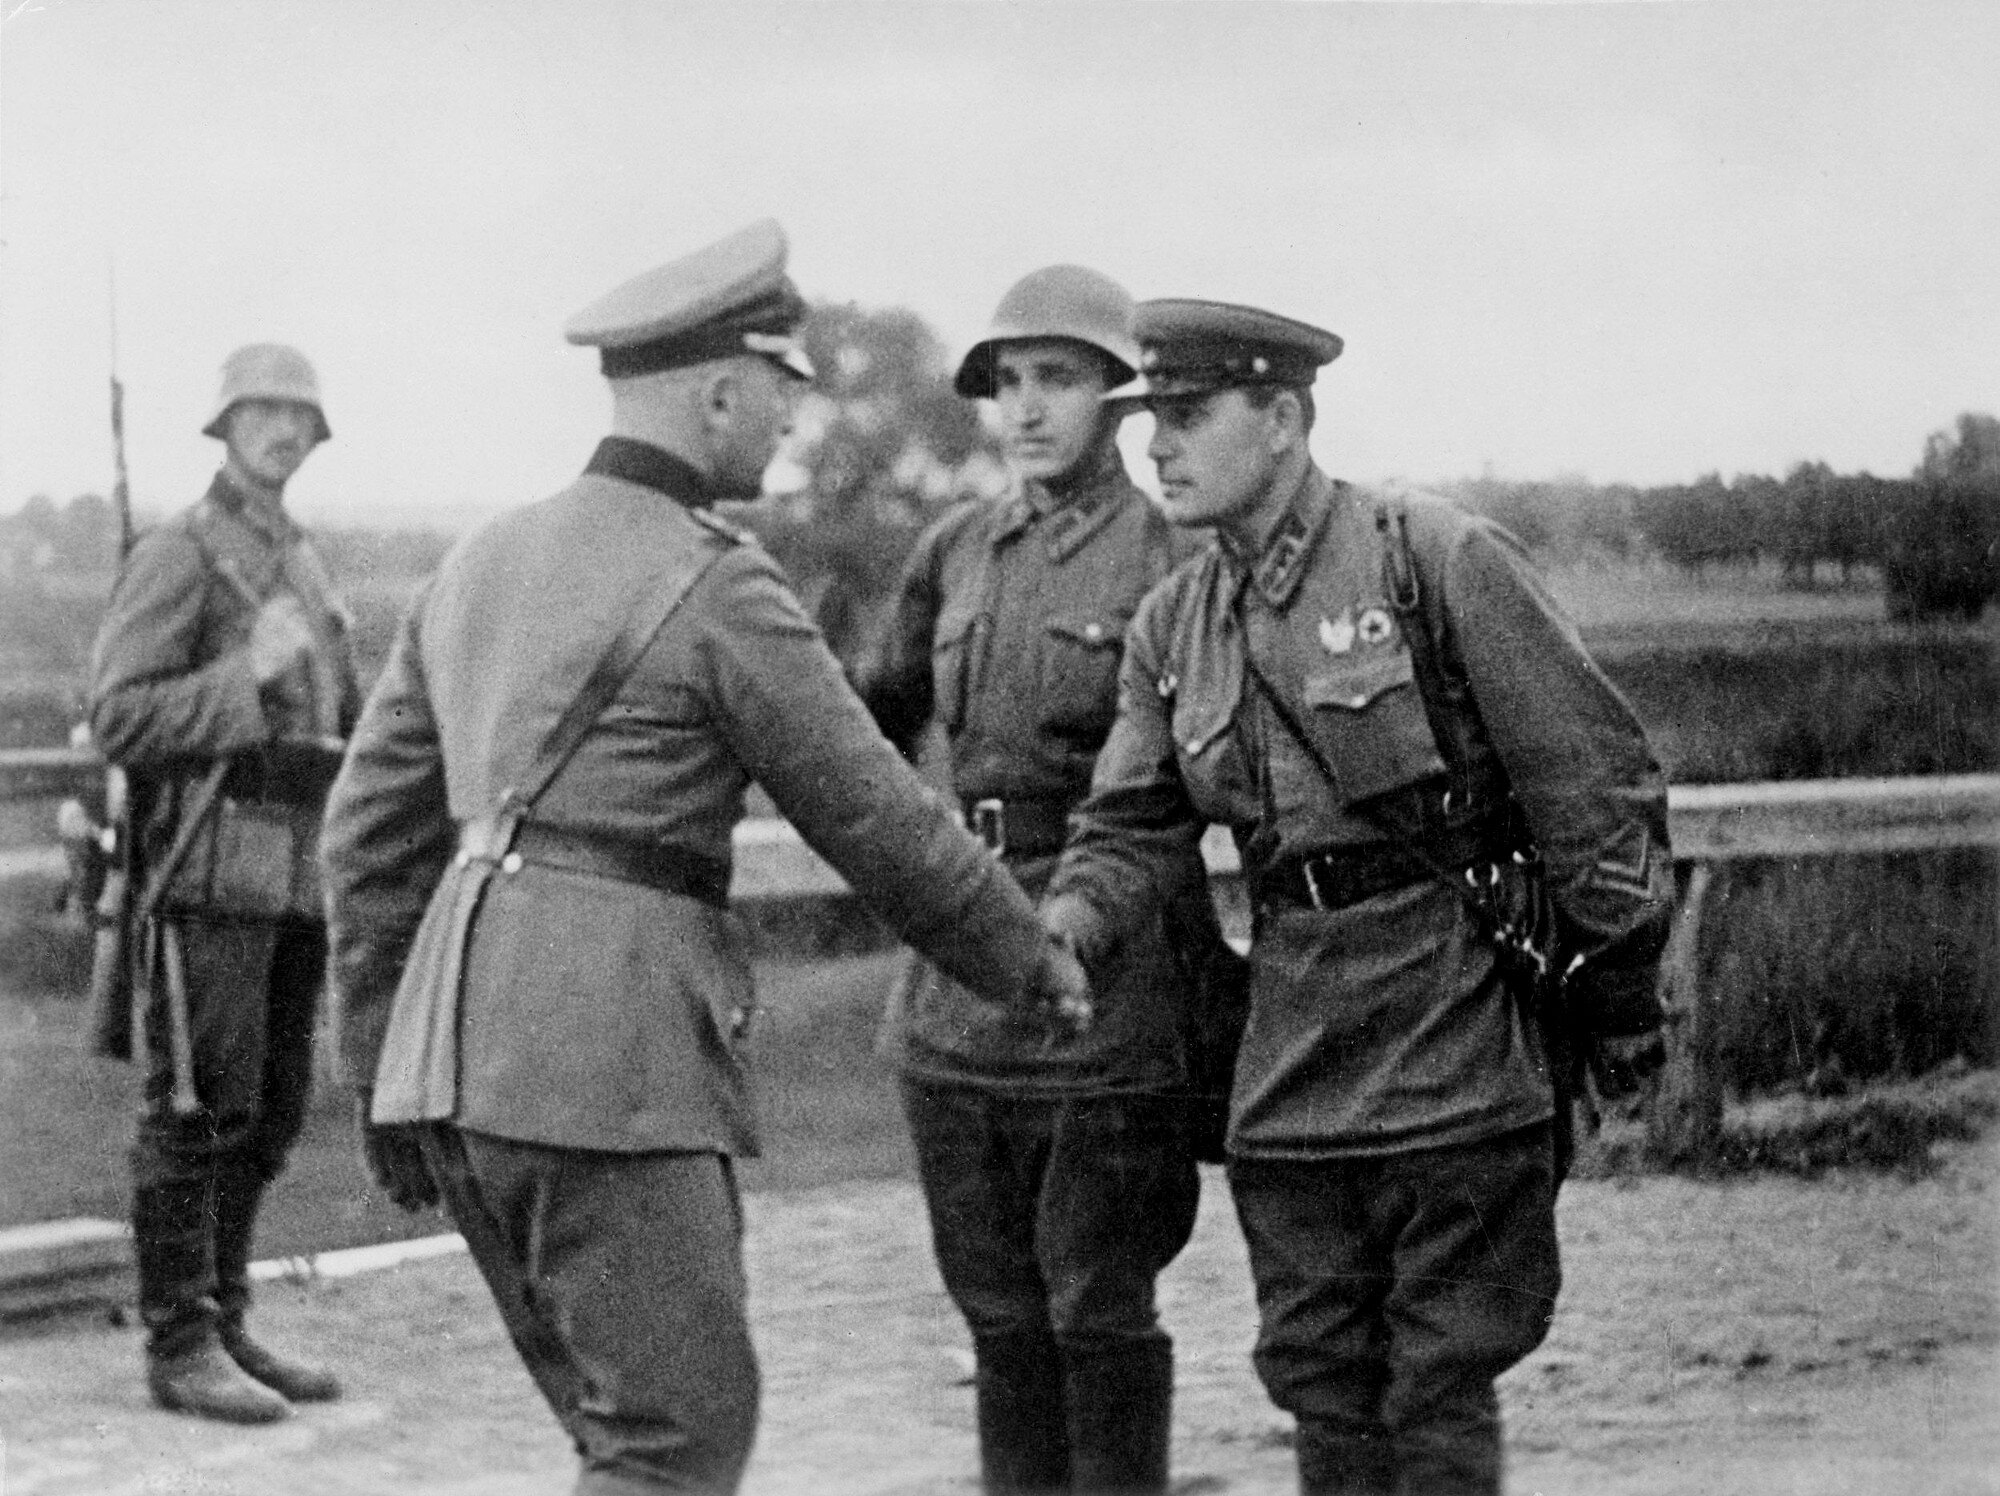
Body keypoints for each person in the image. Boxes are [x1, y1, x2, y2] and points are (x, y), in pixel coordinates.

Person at [320, 220, 1092, 1496]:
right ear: (719, 390)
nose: (787, 424)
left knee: (617, 1432)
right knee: (673, 1439)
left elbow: (365, 842)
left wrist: (378, 1073)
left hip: (448, 1073)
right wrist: (1029, 958)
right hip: (600, 1067)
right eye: (780, 393)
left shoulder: (478, 560)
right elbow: (882, 817)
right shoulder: (717, 585)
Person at [1040, 299, 1676, 1496]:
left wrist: (1622, 996)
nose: (1154, 449)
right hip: (1289, 1074)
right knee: (1321, 1383)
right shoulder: (1175, 623)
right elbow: (1126, 825)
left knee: (1436, 1386)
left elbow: (1590, 788)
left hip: (1456, 1046)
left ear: (1281, 417)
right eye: (1147, 423)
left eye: (1185, 416)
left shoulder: (1429, 558)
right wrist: (1059, 930)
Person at [857, 265, 1233, 1496]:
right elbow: (859, 728)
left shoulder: (1174, 551)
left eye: (1057, 379)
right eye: (1008, 383)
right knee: (997, 1312)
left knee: (1097, 1305)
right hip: (959, 978)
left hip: (1110, 981)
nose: (1025, 409)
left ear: (1120, 400)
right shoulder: (956, 550)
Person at [88, 343, 357, 1423]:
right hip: (206, 866)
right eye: (264, 412)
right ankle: (180, 1340)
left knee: (271, 1108)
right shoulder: (181, 554)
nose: (284, 429)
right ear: (228, 426)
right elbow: (120, 714)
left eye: (301, 413)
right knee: (196, 1105)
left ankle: (228, 1315)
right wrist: (241, 673)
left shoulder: (300, 557)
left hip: (296, 867)